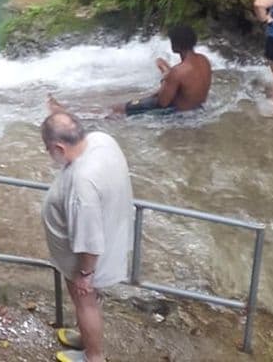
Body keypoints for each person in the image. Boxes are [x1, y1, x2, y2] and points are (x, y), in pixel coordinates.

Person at [40, 109, 134, 362]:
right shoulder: (101, 140)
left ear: (59, 147)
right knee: (89, 304)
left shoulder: (83, 181)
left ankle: (93, 356)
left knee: (85, 303)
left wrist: (85, 274)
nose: (50, 155)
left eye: (49, 150)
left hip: (85, 258)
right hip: (112, 231)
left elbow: (89, 239)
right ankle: (87, 336)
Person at [115, 25, 211, 116]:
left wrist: (165, 78)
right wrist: (168, 73)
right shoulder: (204, 60)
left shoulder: (177, 72)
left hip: (179, 114)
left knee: (118, 109)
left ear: (176, 44)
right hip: (198, 108)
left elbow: (162, 102)